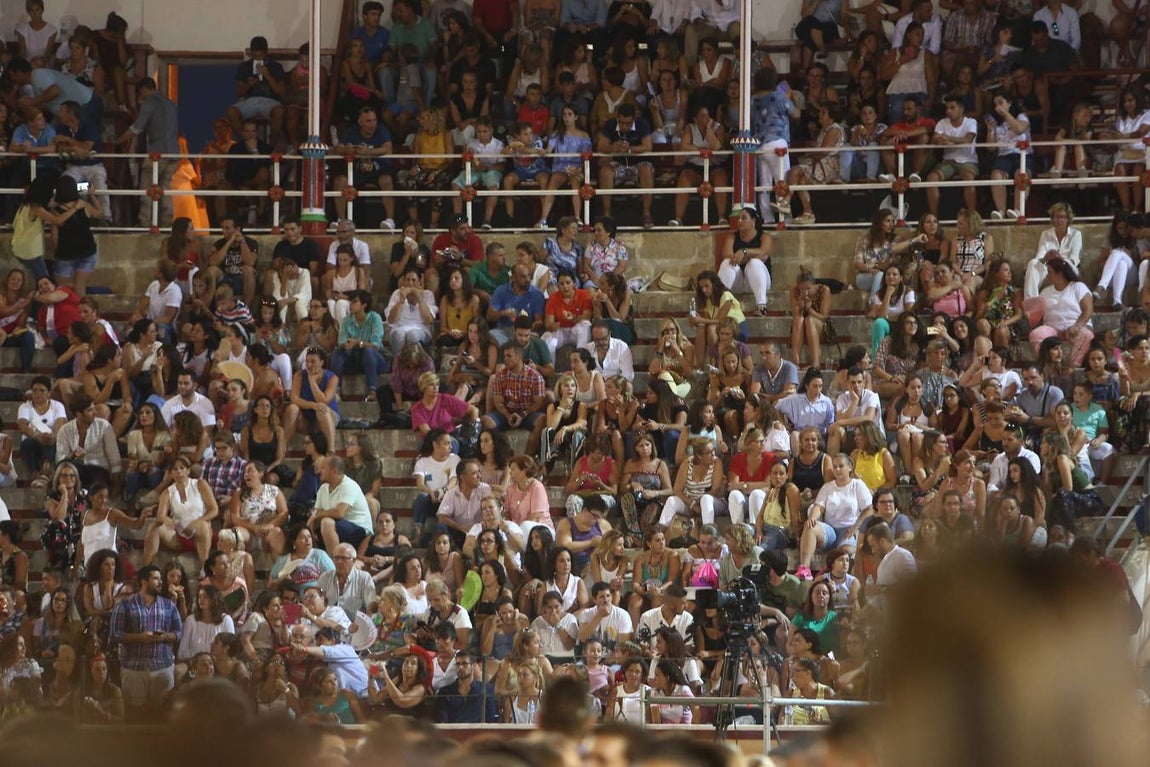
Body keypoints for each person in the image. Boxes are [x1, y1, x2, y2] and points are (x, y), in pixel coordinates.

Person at [107, 565, 183, 719]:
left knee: (162, 714)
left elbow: (179, 633)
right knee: (135, 714)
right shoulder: (125, 605)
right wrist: (140, 638)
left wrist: (164, 637)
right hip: (134, 668)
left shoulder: (169, 605)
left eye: (160, 578)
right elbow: (114, 634)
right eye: (156, 578)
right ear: (144, 581)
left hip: (162, 667)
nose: (161, 582)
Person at [1028, 258, 1094, 366]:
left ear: (1059, 273)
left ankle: (1073, 366)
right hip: (1052, 328)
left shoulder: (1078, 287)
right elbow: (1039, 314)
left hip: (1074, 327)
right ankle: (1048, 364)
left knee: (1086, 335)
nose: (1047, 276)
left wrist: (1077, 326)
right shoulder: (1045, 291)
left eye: (1049, 272)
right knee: (1035, 335)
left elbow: (1088, 309)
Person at [311, 456, 374, 554]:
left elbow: (340, 513)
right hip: (338, 526)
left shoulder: (349, 485)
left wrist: (317, 516)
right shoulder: (323, 488)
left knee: (326, 522)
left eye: (323, 468)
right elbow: (316, 511)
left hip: (358, 529)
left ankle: (335, 565)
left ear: (334, 470)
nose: (319, 471)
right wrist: (312, 522)